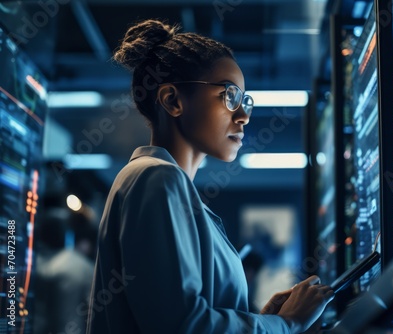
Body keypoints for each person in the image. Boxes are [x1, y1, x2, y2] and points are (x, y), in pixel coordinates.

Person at [86, 19, 334, 334]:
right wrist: (287, 324)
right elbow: (183, 327)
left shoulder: (169, 187)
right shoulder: (156, 178)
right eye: (230, 95)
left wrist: (262, 315)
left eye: (246, 101)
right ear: (173, 100)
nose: (243, 115)